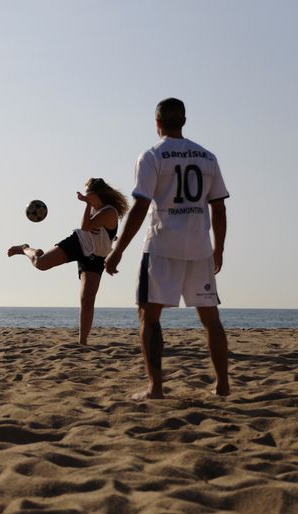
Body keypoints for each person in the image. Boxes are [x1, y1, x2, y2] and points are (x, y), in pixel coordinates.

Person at [105, 98, 230, 400]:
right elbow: (219, 208)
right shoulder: (207, 157)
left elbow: (140, 206)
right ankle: (223, 384)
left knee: (149, 316)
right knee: (210, 318)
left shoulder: (152, 156)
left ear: (157, 122)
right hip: (199, 245)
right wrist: (219, 249)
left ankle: (155, 387)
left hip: (162, 245)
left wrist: (118, 249)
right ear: (184, 120)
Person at [8, 178, 129, 344]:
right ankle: (24, 248)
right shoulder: (94, 207)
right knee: (40, 263)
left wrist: (88, 206)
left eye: (88, 193)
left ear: (96, 194)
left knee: (87, 301)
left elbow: (90, 226)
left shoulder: (109, 211)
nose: (85, 195)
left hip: (95, 257)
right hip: (77, 243)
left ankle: (82, 342)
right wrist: (89, 205)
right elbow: (86, 229)